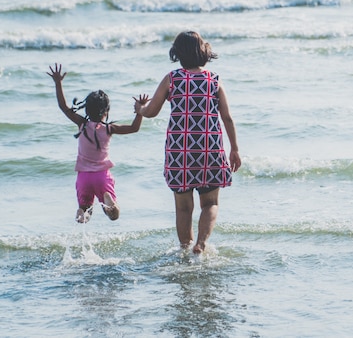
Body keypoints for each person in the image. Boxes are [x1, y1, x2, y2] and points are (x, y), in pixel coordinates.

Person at [135, 31, 241, 254]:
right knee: (210, 203)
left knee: (183, 209)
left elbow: (152, 112)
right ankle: (201, 244)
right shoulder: (214, 80)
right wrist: (235, 149)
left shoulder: (172, 79)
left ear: (178, 54)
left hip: (179, 151)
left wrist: (140, 109)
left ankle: (185, 251)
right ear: (203, 51)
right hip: (209, 148)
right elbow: (227, 117)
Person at [47, 63, 149, 223]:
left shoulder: (82, 124)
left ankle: (81, 212)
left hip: (84, 178)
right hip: (102, 177)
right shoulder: (109, 128)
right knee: (114, 215)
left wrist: (58, 83)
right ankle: (108, 199)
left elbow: (63, 107)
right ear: (106, 112)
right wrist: (139, 110)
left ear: (86, 110)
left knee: (86, 214)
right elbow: (134, 128)